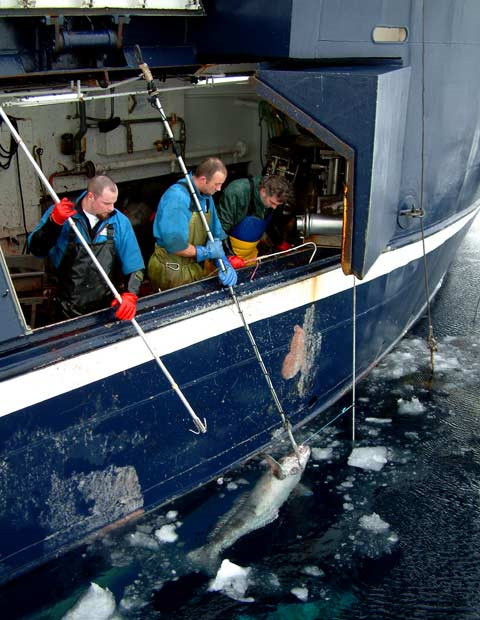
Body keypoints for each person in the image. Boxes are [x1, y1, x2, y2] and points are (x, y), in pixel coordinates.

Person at [28, 175, 145, 321]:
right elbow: (36, 250)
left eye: (114, 203)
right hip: (65, 310)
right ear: (91, 196)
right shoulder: (62, 214)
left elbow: (135, 266)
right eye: (106, 203)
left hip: (105, 310)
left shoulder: (119, 222)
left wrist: (131, 294)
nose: (112, 208)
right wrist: (53, 223)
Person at [148, 157, 237, 291]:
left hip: (193, 268)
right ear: (203, 180)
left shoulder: (207, 198)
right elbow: (175, 245)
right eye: (217, 184)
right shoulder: (176, 198)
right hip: (170, 270)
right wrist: (207, 252)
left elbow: (214, 234)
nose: (219, 189)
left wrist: (223, 262)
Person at [217, 174, 294, 262]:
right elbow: (220, 228)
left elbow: (269, 224)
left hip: (251, 256)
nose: (274, 207)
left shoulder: (274, 199)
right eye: (272, 203)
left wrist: (279, 242)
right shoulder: (237, 192)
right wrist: (229, 255)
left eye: (277, 205)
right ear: (263, 191)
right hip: (224, 256)